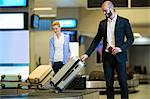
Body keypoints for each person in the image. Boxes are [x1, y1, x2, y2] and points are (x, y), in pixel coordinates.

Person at [81, 1, 134, 99]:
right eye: (103, 11)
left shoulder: (124, 22)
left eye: (105, 11)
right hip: (107, 58)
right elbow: (96, 39)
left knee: (123, 82)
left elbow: (131, 39)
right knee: (109, 84)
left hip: (120, 57)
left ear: (112, 8)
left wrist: (120, 48)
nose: (104, 13)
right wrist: (87, 54)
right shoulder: (102, 24)